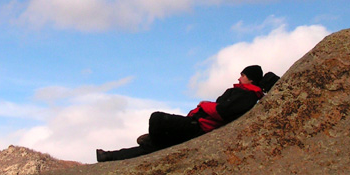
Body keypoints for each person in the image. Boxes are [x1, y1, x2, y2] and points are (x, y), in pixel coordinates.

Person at [96, 65, 266, 162]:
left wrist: (204, 104)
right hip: (195, 123)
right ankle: (108, 156)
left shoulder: (247, 95)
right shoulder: (242, 92)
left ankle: (154, 140)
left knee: (157, 118)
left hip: (198, 127)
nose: (239, 78)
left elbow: (222, 112)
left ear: (250, 79)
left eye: (242, 75)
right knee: (150, 148)